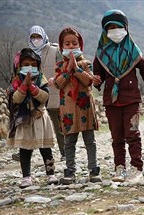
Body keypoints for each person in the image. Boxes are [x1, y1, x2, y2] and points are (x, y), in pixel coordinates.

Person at [93, 10, 144, 184]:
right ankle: (119, 168)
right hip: (111, 100)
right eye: (111, 28)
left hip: (131, 99)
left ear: (126, 28)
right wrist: (96, 80)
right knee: (116, 136)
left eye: (118, 27)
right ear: (105, 31)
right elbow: (97, 74)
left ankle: (137, 168)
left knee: (132, 134)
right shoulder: (101, 53)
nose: (115, 31)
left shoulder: (133, 50)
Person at [54, 27, 101, 185]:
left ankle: (93, 170)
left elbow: (88, 81)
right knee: (69, 142)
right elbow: (58, 84)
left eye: (74, 43)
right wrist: (67, 70)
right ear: (62, 46)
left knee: (90, 141)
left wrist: (77, 68)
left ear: (80, 44)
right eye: (67, 43)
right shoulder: (59, 65)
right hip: (68, 110)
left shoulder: (87, 63)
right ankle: (70, 171)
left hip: (85, 107)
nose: (71, 46)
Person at [6, 48, 59, 187]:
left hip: (40, 117)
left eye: (33, 64)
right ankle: (26, 177)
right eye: (26, 64)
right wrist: (24, 85)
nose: (30, 67)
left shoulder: (41, 79)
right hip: (24, 120)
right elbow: (16, 99)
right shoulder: (16, 82)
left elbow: (44, 96)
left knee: (46, 147)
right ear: (19, 66)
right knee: (25, 149)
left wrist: (33, 87)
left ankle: (51, 174)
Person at [28, 25, 65, 161]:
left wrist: (55, 80)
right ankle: (26, 154)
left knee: (58, 126)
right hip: (35, 94)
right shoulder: (28, 54)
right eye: (33, 37)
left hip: (54, 93)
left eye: (38, 36)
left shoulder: (54, 51)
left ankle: (64, 152)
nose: (36, 39)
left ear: (44, 36)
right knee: (33, 125)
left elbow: (61, 70)